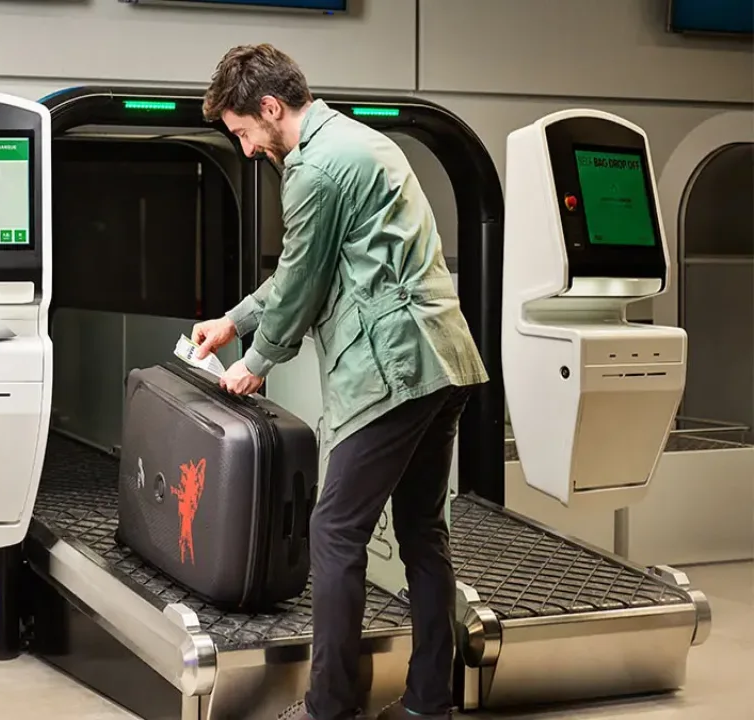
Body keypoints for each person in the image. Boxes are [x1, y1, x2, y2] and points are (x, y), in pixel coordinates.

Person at [192, 45, 489, 720]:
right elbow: (312, 262)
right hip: (442, 360)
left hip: (393, 370)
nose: (243, 150)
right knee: (422, 533)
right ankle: (428, 703)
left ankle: (329, 707)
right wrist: (234, 323)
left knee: (334, 531)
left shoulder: (315, 169)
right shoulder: (362, 141)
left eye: (241, 133)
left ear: (270, 109)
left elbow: (301, 281)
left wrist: (256, 360)